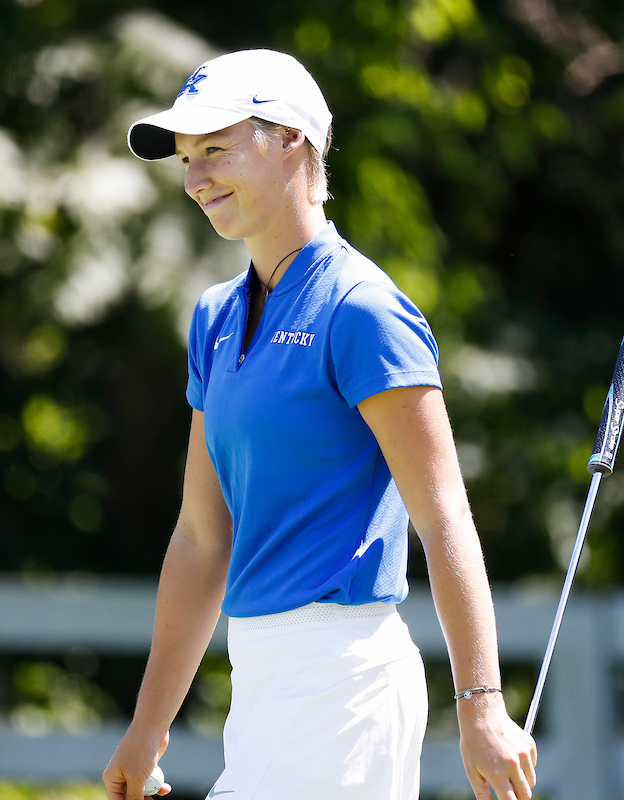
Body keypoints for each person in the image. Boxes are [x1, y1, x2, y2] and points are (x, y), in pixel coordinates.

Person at [103, 49, 537, 800]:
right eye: (186, 158)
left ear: (290, 139)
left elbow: (444, 517)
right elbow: (202, 537)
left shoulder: (363, 310)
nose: (195, 179)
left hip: (346, 684)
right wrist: (149, 727)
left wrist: (482, 705)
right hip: (258, 685)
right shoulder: (214, 317)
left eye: (216, 149)